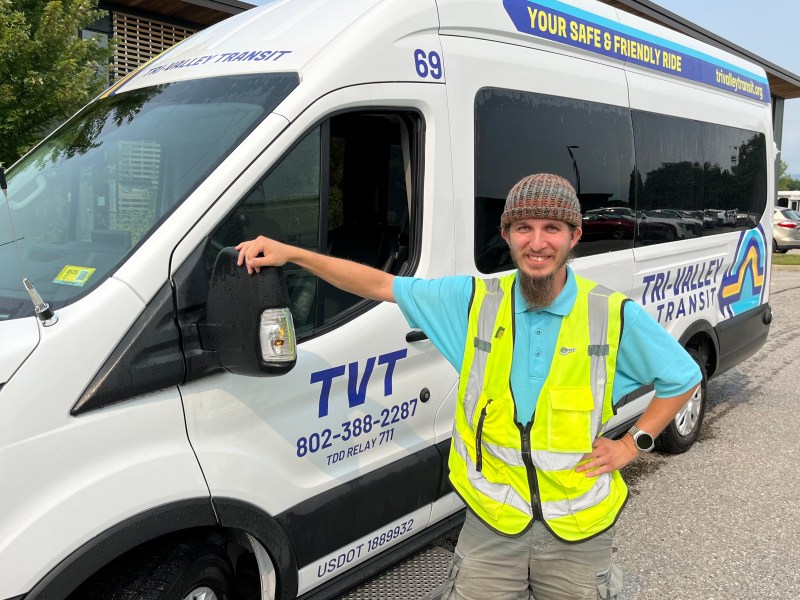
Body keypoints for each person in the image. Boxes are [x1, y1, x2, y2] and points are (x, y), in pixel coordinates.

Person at [236, 173, 701, 600]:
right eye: (524, 228)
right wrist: (292, 254)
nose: (537, 243)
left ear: (575, 236)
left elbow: (682, 377)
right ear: (506, 235)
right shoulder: (473, 303)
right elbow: (380, 284)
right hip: (491, 524)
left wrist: (632, 444)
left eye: (552, 228)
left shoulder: (610, 314)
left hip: (580, 531)